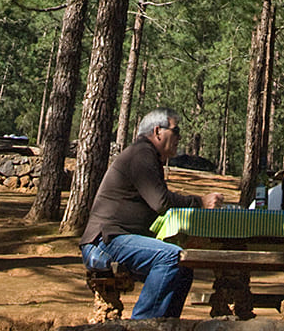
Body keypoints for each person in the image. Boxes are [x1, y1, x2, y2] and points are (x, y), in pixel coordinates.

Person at [81, 106, 223, 319]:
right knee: (171, 257)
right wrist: (200, 201)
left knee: (185, 268)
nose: (179, 137)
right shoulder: (142, 152)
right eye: (176, 131)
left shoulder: (149, 156)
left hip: (116, 240)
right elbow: (161, 202)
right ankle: (143, 329)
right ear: (157, 131)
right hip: (105, 241)